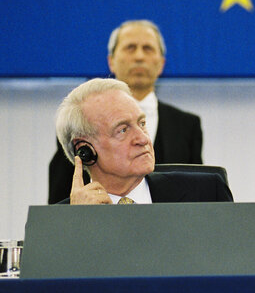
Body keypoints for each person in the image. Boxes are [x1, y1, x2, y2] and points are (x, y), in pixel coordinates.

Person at [48, 20, 204, 203]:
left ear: (162, 64)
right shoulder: (81, 122)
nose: (139, 56)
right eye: (130, 48)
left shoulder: (186, 124)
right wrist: (79, 220)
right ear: (111, 61)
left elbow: (196, 195)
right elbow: (60, 199)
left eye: (148, 48)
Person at [56, 78, 232, 204]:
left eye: (142, 123)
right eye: (123, 130)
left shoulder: (206, 194)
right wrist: (78, 224)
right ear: (85, 151)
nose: (143, 138)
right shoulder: (58, 226)